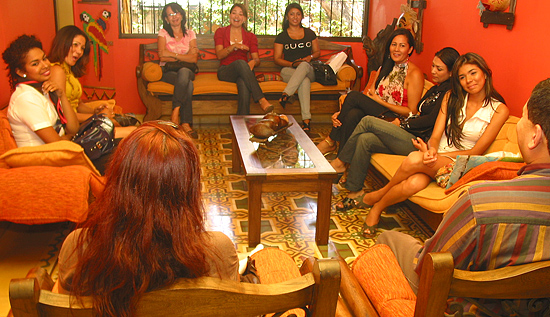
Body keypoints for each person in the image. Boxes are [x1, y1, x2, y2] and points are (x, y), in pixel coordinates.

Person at [373, 78, 550, 315]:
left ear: (535, 136)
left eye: (524, 116)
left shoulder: (480, 204)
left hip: (477, 308)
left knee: (389, 240)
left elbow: (430, 266)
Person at [55, 121, 240, 316]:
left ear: (118, 179)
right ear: (188, 190)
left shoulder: (78, 248)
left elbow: (60, 308)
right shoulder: (217, 251)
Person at [357, 52, 509, 238]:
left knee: (414, 158)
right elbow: (436, 135)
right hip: (436, 157)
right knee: (413, 183)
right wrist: (432, 150)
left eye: (473, 73)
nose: (469, 80)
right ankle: (377, 208)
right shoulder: (452, 98)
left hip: (461, 163)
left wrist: (436, 156)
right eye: (462, 77)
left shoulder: (498, 109)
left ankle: (379, 194)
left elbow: (477, 151)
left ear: (485, 73)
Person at [332, 47, 460, 211]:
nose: (433, 71)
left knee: (367, 121)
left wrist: (402, 123)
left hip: (418, 141)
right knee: (365, 139)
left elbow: (430, 121)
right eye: (433, 66)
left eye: (439, 68)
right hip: (408, 133)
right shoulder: (436, 88)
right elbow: (418, 113)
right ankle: (355, 190)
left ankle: (340, 162)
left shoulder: (449, 93)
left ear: (451, 72)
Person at [317, 28, 424, 155]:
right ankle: (342, 163)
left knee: (353, 95)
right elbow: (369, 96)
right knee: (352, 114)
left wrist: (380, 101)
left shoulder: (414, 74)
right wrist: (342, 113)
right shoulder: (384, 68)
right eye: (394, 44)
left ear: (410, 49)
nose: (396, 49)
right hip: (378, 112)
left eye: (402, 46)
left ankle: (331, 140)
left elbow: (411, 111)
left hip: (396, 119)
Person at [49, 25, 136, 139]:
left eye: (82, 48)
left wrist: (95, 110)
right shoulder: (56, 70)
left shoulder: (69, 70)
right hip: (70, 129)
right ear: (63, 42)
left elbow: (78, 104)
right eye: (75, 45)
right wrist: (98, 116)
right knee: (133, 132)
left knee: (130, 124)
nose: (79, 51)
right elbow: (63, 115)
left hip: (79, 122)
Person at [2, 34, 79, 147]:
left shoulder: (43, 88)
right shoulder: (26, 97)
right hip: (41, 160)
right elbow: (58, 144)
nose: (45, 65)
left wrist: (61, 96)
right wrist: (67, 138)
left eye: (44, 58)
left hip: (59, 152)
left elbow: (73, 129)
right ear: (20, 72)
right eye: (35, 64)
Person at [214, 3, 274, 115]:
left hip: (243, 72)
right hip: (226, 71)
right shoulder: (221, 32)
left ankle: (241, 122)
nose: (237, 16)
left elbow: (257, 59)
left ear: (245, 18)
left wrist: (252, 62)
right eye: (234, 13)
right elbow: (219, 55)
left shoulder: (250, 36)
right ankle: (261, 99)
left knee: (243, 83)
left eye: (240, 14)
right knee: (241, 63)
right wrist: (234, 46)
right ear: (230, 15)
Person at [274, 3, 320, 133]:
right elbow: (277, 59)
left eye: (298, 14)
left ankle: (286, 94)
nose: (295, 17)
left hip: (308, 69)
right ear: (287, 17)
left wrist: (309, 57)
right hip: (289, 70)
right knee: (303, 81)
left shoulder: (309, 33)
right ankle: (306, 121)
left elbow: (317, 52)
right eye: (292, 14)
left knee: (304, 65)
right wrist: (292, 64)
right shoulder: (282, 36)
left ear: (302, 16)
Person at [157, 2, 199, 138]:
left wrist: (173, 55)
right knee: (188, 84)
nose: (174, 17)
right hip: (168, 72)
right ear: (166, 19)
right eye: (170, 14)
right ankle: (186, 124)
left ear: (182, 15)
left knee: (184, 72)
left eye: (176, 13)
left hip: (187, 70)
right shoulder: (163, 33)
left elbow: (194, 59)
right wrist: (183, 57)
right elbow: (161, 55)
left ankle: (175, 112)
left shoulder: (190, 33)